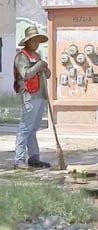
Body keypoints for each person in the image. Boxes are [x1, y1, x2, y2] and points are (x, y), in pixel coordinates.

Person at [13, 26, 51, 169]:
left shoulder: (37, 56)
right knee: (25, 128)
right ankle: (19, 159)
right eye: (33, 40)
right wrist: (38, 66)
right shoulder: (22, 56)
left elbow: (47, 75)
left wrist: (45, 68)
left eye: (37, 40)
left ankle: (34, 158)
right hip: (29, 96)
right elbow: (25, 74)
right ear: (27, 42)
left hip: (41, 96)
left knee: (33, 129)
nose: (36, 43)